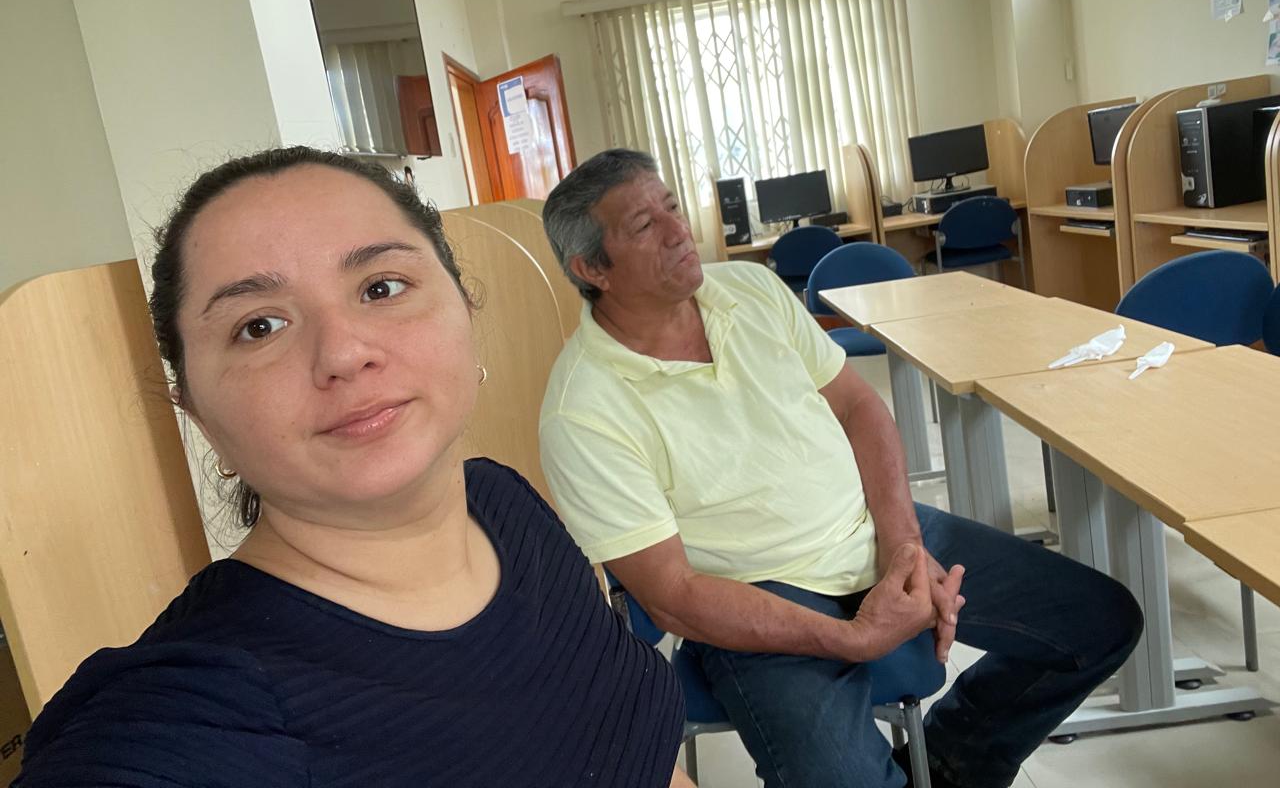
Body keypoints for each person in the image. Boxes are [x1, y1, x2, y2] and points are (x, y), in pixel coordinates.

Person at [15, 147, 689, 788]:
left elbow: (640, 754)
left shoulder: (505, 504)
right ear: (196, 414)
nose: (342, 352)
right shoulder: (201, 708)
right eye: (259, 327)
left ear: (465, 307)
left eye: (381, 287)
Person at [538, 149, 1144, 788]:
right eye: (644, 226)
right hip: (759, 594)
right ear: (591, 269)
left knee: (1100, 623)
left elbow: (858, 406)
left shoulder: (748, 289)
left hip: (870, 529)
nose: (677, 231)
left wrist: (903, 543)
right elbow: (675, 597)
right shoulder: (583, 410)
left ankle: (951, 760)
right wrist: (852, 637)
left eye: (672, 207)